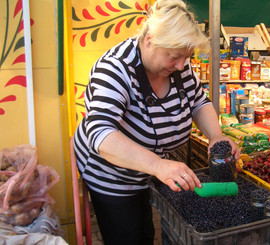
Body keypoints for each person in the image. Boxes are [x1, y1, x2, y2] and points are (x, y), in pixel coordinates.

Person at [73, 0, 240, 244]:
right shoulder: (115, 68)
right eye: (174, 57)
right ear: (150, 39)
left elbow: (199, 102)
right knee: (127, 235)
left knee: (145, 232)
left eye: (187, 58)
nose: (182, 66)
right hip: (112, 173)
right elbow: (101, 135)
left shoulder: (179, 66)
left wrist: (216, 135)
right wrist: (159, 166)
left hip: (148, 170)